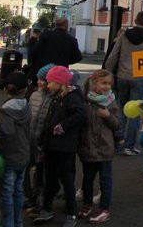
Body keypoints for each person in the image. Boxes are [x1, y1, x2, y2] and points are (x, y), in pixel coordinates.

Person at [34, 66, 86, 227]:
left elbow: (80, 115)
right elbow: (48, 120)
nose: (48, 85)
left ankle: (71, 213)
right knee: (49, 179)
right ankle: (46, 209)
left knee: (67, 180)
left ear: (60, 82)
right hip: (51, 146)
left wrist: (63, 126)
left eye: (50, 82)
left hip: (65, 147)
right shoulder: (56, 96)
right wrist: (43, 140)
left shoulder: (72, 98)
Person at [104, 12, 143, 156]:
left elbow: (113, 55)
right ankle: (129, 146)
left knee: (121, 108)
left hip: (122, 75)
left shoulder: (124, 35)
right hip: (138, 78)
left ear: (135, 20)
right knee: (135, 112)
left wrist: (108, 74)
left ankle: (118, 141)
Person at [78, 69, 119, 224]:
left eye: (109, 83)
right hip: (88, 146)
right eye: (104, 83)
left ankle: (104, 208)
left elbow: (117, 124)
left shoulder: (110, 101)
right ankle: (87, 204)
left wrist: (108, 116)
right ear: (94, 83)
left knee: (105, 180)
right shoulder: (86, 100)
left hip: (104, 147)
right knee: (87, 179)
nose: (107, 86)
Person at [0, 71, 31, 227]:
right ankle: (18, 222)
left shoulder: (6, 109)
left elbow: (7, 132)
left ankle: (8, 223)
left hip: (9, 156)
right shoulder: (26, 105)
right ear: (25, 89)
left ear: (6, 89)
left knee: (6, 192)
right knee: (18, 190)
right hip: (23, 154)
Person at [25, 63, 55, 215]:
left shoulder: (53, 99)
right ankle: (32, 196)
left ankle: (40, 202)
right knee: (29, 171)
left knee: (41, 174)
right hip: (31, 139)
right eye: (38, 79)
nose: (39, 82)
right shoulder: (35, 95)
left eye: (42, 79)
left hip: (42, 143)